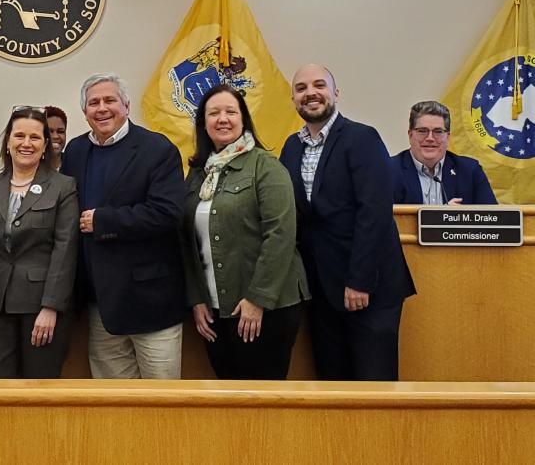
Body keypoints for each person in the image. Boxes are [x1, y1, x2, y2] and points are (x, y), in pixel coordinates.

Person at [279, 64, 416, 381]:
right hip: (321, 291)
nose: (310, 93)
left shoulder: (362, 138)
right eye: (301, 88)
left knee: (373, 385)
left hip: (368, 286)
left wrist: (359, 281)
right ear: (294, 99)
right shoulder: (291, 147)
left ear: (335, 93)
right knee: (333, 385)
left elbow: (375, 212)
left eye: (318, 85)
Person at [60, 73, 185, 379]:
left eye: (110, 100)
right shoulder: (75, 152)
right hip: (100, 305)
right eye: (93, 103)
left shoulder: (157, 149)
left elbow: (168, 213)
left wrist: (103, 221)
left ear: (126, 106)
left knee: (163, 402)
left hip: (151, 303)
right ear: (85, 112)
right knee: (112, 403)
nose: (102, 108)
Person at [181, 86, 310, 380]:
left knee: (262, 402)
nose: (222, 119)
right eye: (214, 113)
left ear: (243, 119)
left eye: (230, 112)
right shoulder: (199, 174)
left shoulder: (266, 167)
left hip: (267, 309)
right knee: (229, 401)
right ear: (203, 123)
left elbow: (281, 235)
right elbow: (186, 240)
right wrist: (197, 299)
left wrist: (258, 300)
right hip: (214, 309)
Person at [0, 106, 79, 378]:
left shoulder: (63, 186)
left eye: (35, 137)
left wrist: (51, 307)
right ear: (8, 141)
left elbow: (65, 249)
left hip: (41, 307)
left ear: (45, 145)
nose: (26, 143)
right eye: (19, 135)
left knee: (39, 390)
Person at [392, 100, 497, 205]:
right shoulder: (389, 171)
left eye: (438, 132)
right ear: (410, 135)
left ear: (448, 137)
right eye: (422, 131)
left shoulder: (470, 171)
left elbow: (493, 217)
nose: (430, 138)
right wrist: (443, 216)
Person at [44, 106, 68, 171]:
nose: (55, 136)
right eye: (50, 132)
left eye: (60, 131)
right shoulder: (31, 166)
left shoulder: (74, 164)